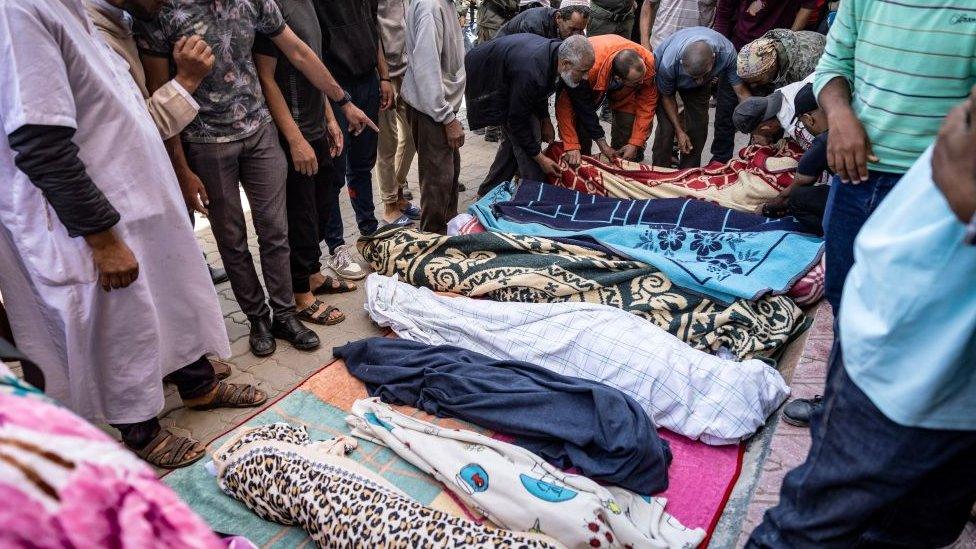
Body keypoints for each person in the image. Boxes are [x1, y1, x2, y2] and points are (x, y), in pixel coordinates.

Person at [0, 0, 268, 469]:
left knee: (171, 297)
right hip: (93, 222)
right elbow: (40, 141)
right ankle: (139, 429)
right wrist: (101, 239)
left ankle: (199, 385)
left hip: (138, 205)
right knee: (124, 326)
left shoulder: (78, 13)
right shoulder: (20, 10)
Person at [747, 91, 976, 549]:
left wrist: (959, 188)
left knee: (818, 522)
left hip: (922, 347)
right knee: (912, 521)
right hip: (922, 328)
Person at [137, 0, 376, 357]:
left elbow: (298, 51)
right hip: (205, 142)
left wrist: (342, 102)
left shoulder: (254, 2)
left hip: (260, 132)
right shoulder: (164, 11)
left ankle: (284, 314)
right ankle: (257, 318)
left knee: (275, 232)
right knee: (231, 239)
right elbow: (158, 96)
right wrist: (182, 170)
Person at [84, 0, 229, 287]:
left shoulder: (122, 19)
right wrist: (187, 80)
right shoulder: (93, 37)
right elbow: (133, 129)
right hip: (124, 214)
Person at [254, 0, 356, 329]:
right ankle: (300, 294)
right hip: (292, 130)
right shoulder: (271, 7)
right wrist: (295, 139)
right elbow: (266, 77)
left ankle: (313, 275)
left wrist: (330, 118)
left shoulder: (309, 5)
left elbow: (313, 64)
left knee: (323, 200)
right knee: (299, 214)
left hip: (315, 122)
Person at [467, 34, 616, 197]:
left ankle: (487, 192)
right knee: (530, 138)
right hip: (487, 75)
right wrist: (541, 158)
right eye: (583, 71)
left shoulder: (561, 61)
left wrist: (602, 143)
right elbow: (517, 120)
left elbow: (583, 106)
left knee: (514, 143)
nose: (587, 76)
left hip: (516, 77)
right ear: (566, 64)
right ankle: (533, 197)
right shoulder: (532, 72)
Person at [312, 0, 387, 280]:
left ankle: (369, 232)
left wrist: (385, 76)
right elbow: (311, 52)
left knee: (362, 165)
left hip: (367, 79)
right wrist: (330, 106)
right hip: (334, 84)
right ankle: (336, 247)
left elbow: (373, 28)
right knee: (334, 170)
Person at [711, 0, 816, 163]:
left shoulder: (799, 65)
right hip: (738, 51)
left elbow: (807, 6)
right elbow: (724, 14)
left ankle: (761, 161)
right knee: (727, 113)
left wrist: (787, 40)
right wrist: (722, 54)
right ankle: (719, 161)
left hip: (776, 56)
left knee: (771, 115)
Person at [402, 0, 467, 234]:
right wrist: (447, 118)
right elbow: (426, 69)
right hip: (432, 108)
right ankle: (432, 240)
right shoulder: (431, 7)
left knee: (449, 174)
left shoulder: (443, 4)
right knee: (437, 180)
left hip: (439, 106)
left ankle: (446, 233)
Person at [651, 26, 750, 168]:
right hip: (669, 81)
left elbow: (740, 91)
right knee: (666, 129)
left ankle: (688, 171)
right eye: (694, 77)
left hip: (700, 88)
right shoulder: (668, 63)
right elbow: (667, 97)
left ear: (714, 58)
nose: (698, 80)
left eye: (703, 75)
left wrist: (755, 119)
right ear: (681, 63)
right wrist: (679, 131)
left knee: (698, 127)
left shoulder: (726, 52)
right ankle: (659, 170)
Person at [555, 35, 657, 163]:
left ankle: (623, 166)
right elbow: (565, 106)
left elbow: (647, 105)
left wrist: (636, 143)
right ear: (619, 78)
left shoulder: (646, 64)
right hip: (596, 72)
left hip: (625, 90)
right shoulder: (585, 70)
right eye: (637, 81)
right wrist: (571, 144)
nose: (643, 82)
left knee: (627, 135)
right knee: (579, 137)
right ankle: (585, 166)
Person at [756, 83, 830, 237]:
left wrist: (767, 208)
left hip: (860, 201)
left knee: (797, 198)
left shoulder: (824, 141)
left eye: (802, 123)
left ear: (808, 119)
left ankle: (832, 231)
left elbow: (797, 186)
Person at [377, 0, 421, 227]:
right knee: (388, 142)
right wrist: (383, 76)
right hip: (383, 74)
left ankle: (399, 193)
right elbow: (372, 30)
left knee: (412, 137)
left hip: (407, 70)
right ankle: (389, 205)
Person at [732, 75, 816, 149]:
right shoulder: (784, 91)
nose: (756, 137)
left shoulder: (798, 128)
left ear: (766, 127)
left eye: (760, 133)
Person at [736, 29, 825, 92]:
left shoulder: (804, 67)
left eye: (757, 81)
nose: (753, 85)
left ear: (771, 68)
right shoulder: (767, 45)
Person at [638, 0, 715, 51]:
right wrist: (645, 43)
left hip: (697, 52)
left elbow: (723, 16)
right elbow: (648, 4)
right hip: (660, 47)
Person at [495, 2, 590, 39]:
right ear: (558, 17)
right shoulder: (534, 24)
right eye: (573, 29)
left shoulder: (574, 26)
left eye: (581, 30)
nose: (576, 35)